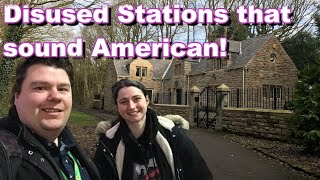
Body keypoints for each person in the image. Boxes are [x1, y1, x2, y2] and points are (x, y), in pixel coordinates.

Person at [0, 57, 100, 180]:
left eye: (62, 89)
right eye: (40, 88)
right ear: (17, 96)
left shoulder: (69, 146)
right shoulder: (4, 152)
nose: (56, 96)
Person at [93, 79, 212, 180]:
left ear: (147, 100)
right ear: (117, 107)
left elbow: (200, 174)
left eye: (136, 99)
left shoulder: (173, 136)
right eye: (124, 102)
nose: (131, 106)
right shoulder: (108, 145)